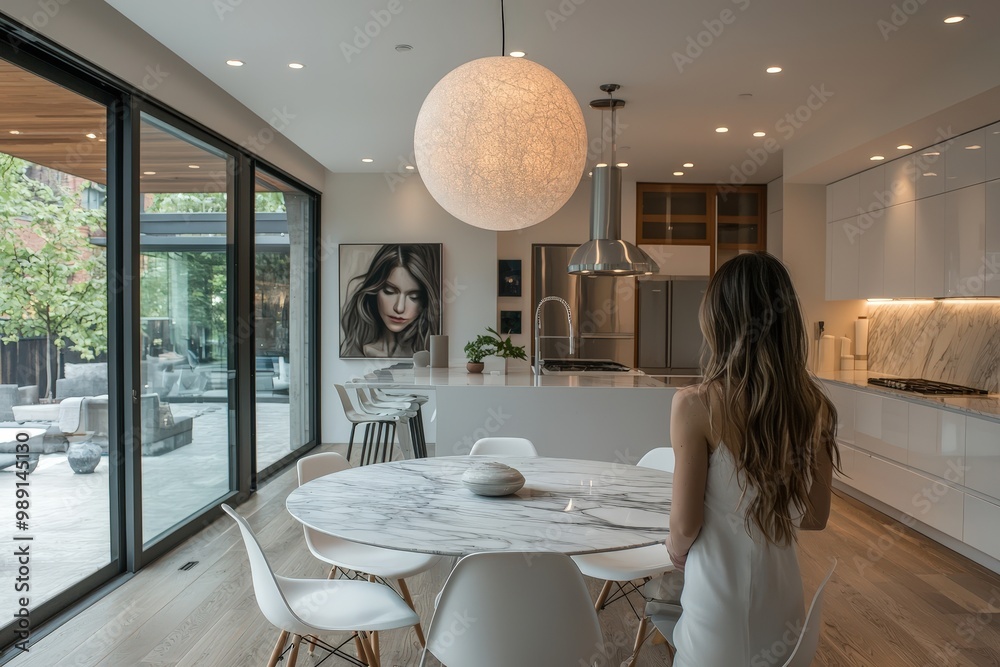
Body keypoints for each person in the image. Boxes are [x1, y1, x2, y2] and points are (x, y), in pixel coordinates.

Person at [663, 252, 839, 666]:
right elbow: (815, 516)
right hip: (787, 623)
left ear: (719, 321)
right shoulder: (816, 408)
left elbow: (685, 524)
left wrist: (674, 550)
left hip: (718, 621)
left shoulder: (695, 404)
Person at [340, 244, 441, 358]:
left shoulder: (428, 355)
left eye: (414, 296)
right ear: (374, 290)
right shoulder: (357, 351)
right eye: (389, 291)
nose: (399, 308)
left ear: (425, 300)